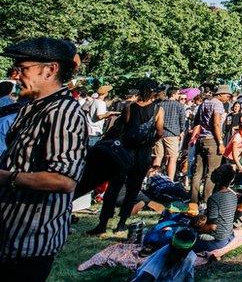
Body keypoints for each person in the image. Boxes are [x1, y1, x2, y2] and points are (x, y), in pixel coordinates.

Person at [0, 38, 87, 280]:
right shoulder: (31, 108)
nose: (16, 76)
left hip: (30, 242)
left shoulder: (64, 112)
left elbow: (63, 179)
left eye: (22, 69)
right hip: (10, 235)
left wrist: (7, 178)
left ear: (50, 70)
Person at [91, 79, 164, 235]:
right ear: (153, 92)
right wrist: (150, 142)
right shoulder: (158, 110)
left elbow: (123, 126)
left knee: (113, 188)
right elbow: (160, 132)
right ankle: (122, 223)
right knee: (133, 188)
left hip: (125, 152)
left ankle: (102, 223)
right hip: (142, 154)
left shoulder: (129, 107)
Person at [188, 85, 228, 215]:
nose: (228, 98)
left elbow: (198, 122)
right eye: (227, 95)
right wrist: (220, 143)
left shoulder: (205, 102)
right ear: (220, 94)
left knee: (197, 172)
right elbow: (216, 124)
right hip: (212, 140)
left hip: (201, 140)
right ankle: (206, 201)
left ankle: (193, 201)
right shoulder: (217, 104)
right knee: (212, 172)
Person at [193, 165, 236, 253]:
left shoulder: (214, 198)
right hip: (229, 235)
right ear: (231, 180)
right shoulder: (233, 196)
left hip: (218, 240)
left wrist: (196, 229)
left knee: (186, 240)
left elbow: (212, 227)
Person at [130, 226, 197, 282]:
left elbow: (189, 278)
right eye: (176, 252)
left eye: (181, 253)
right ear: (171, 248)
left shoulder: (190, 258)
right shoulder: (163, 254)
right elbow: (148, 275)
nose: (178, 255)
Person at [153, 87, 186, 181]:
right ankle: (170, 180)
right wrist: (181, 131)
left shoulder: (159, 104)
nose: (179, 95)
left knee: (158, 156)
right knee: (172, 158)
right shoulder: (179, 106)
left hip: (159, 133)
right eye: (178, 93)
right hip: (172, 134)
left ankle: (153, 178)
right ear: (174, 94)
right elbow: (182, 121)